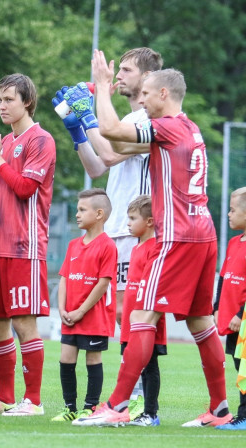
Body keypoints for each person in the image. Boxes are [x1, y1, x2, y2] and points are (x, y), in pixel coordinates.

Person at [73, 50, 229, 427]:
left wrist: (102, 87)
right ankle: (220, 408)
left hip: (175, 237)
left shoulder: (168, 126)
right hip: (203, 233)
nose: (141, 101)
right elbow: (114, 150)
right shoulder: (189, 127)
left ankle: (117, 406)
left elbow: (111, 132)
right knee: (199, 322)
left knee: (141, 317)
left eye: (146, 94)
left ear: (163, 93)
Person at [53, 47, 161, 333]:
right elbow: (97, 167)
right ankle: (137, 373)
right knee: (122, 310)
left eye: (127, 70)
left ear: (148, 77)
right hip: (117, 227)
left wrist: (88, 112)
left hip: (134, 229)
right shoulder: (128, 121)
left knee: (128, 309)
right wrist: (77, 130)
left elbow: (110, 155)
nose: (119, 76)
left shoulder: (147, 120)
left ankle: (138, 377)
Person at [0, 74, 56, 416]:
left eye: (9, 99)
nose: (2, 106)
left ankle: (32, 401)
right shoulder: (4, 141)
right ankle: (5, 397)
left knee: (23, 323)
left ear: (27, 102)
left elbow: (23, 189)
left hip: (25, 246)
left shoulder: (42, 140)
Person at [52, 189, 116, 422]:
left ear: (99, 214)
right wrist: (62, 309)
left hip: (93, 317)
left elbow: (102, 284)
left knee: (92, 359)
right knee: (66, 358)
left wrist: (80, 311)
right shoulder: (73, 245)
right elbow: (65, 278)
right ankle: (70, 407)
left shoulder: (107, 246)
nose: (77, 215)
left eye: (82, 210)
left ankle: (90, 407)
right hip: (70, 316)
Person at [120, 195, 165, 426]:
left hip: (147, 320)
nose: (128, 222)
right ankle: (127, 409)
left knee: (149, 366)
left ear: (149, 222)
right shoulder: (136, 248)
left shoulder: (156, 248)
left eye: (132, 218)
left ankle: (151, 413)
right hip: (131, 319)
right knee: (132, 364)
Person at [213, 187, 246, 430]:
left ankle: (243, 417)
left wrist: (240, 313)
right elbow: (223, 278)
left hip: (242, 319)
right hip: (232, 320)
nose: (228, 214)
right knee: (239, 366)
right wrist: (216, 307)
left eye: (233, 210)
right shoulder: (235, 242)